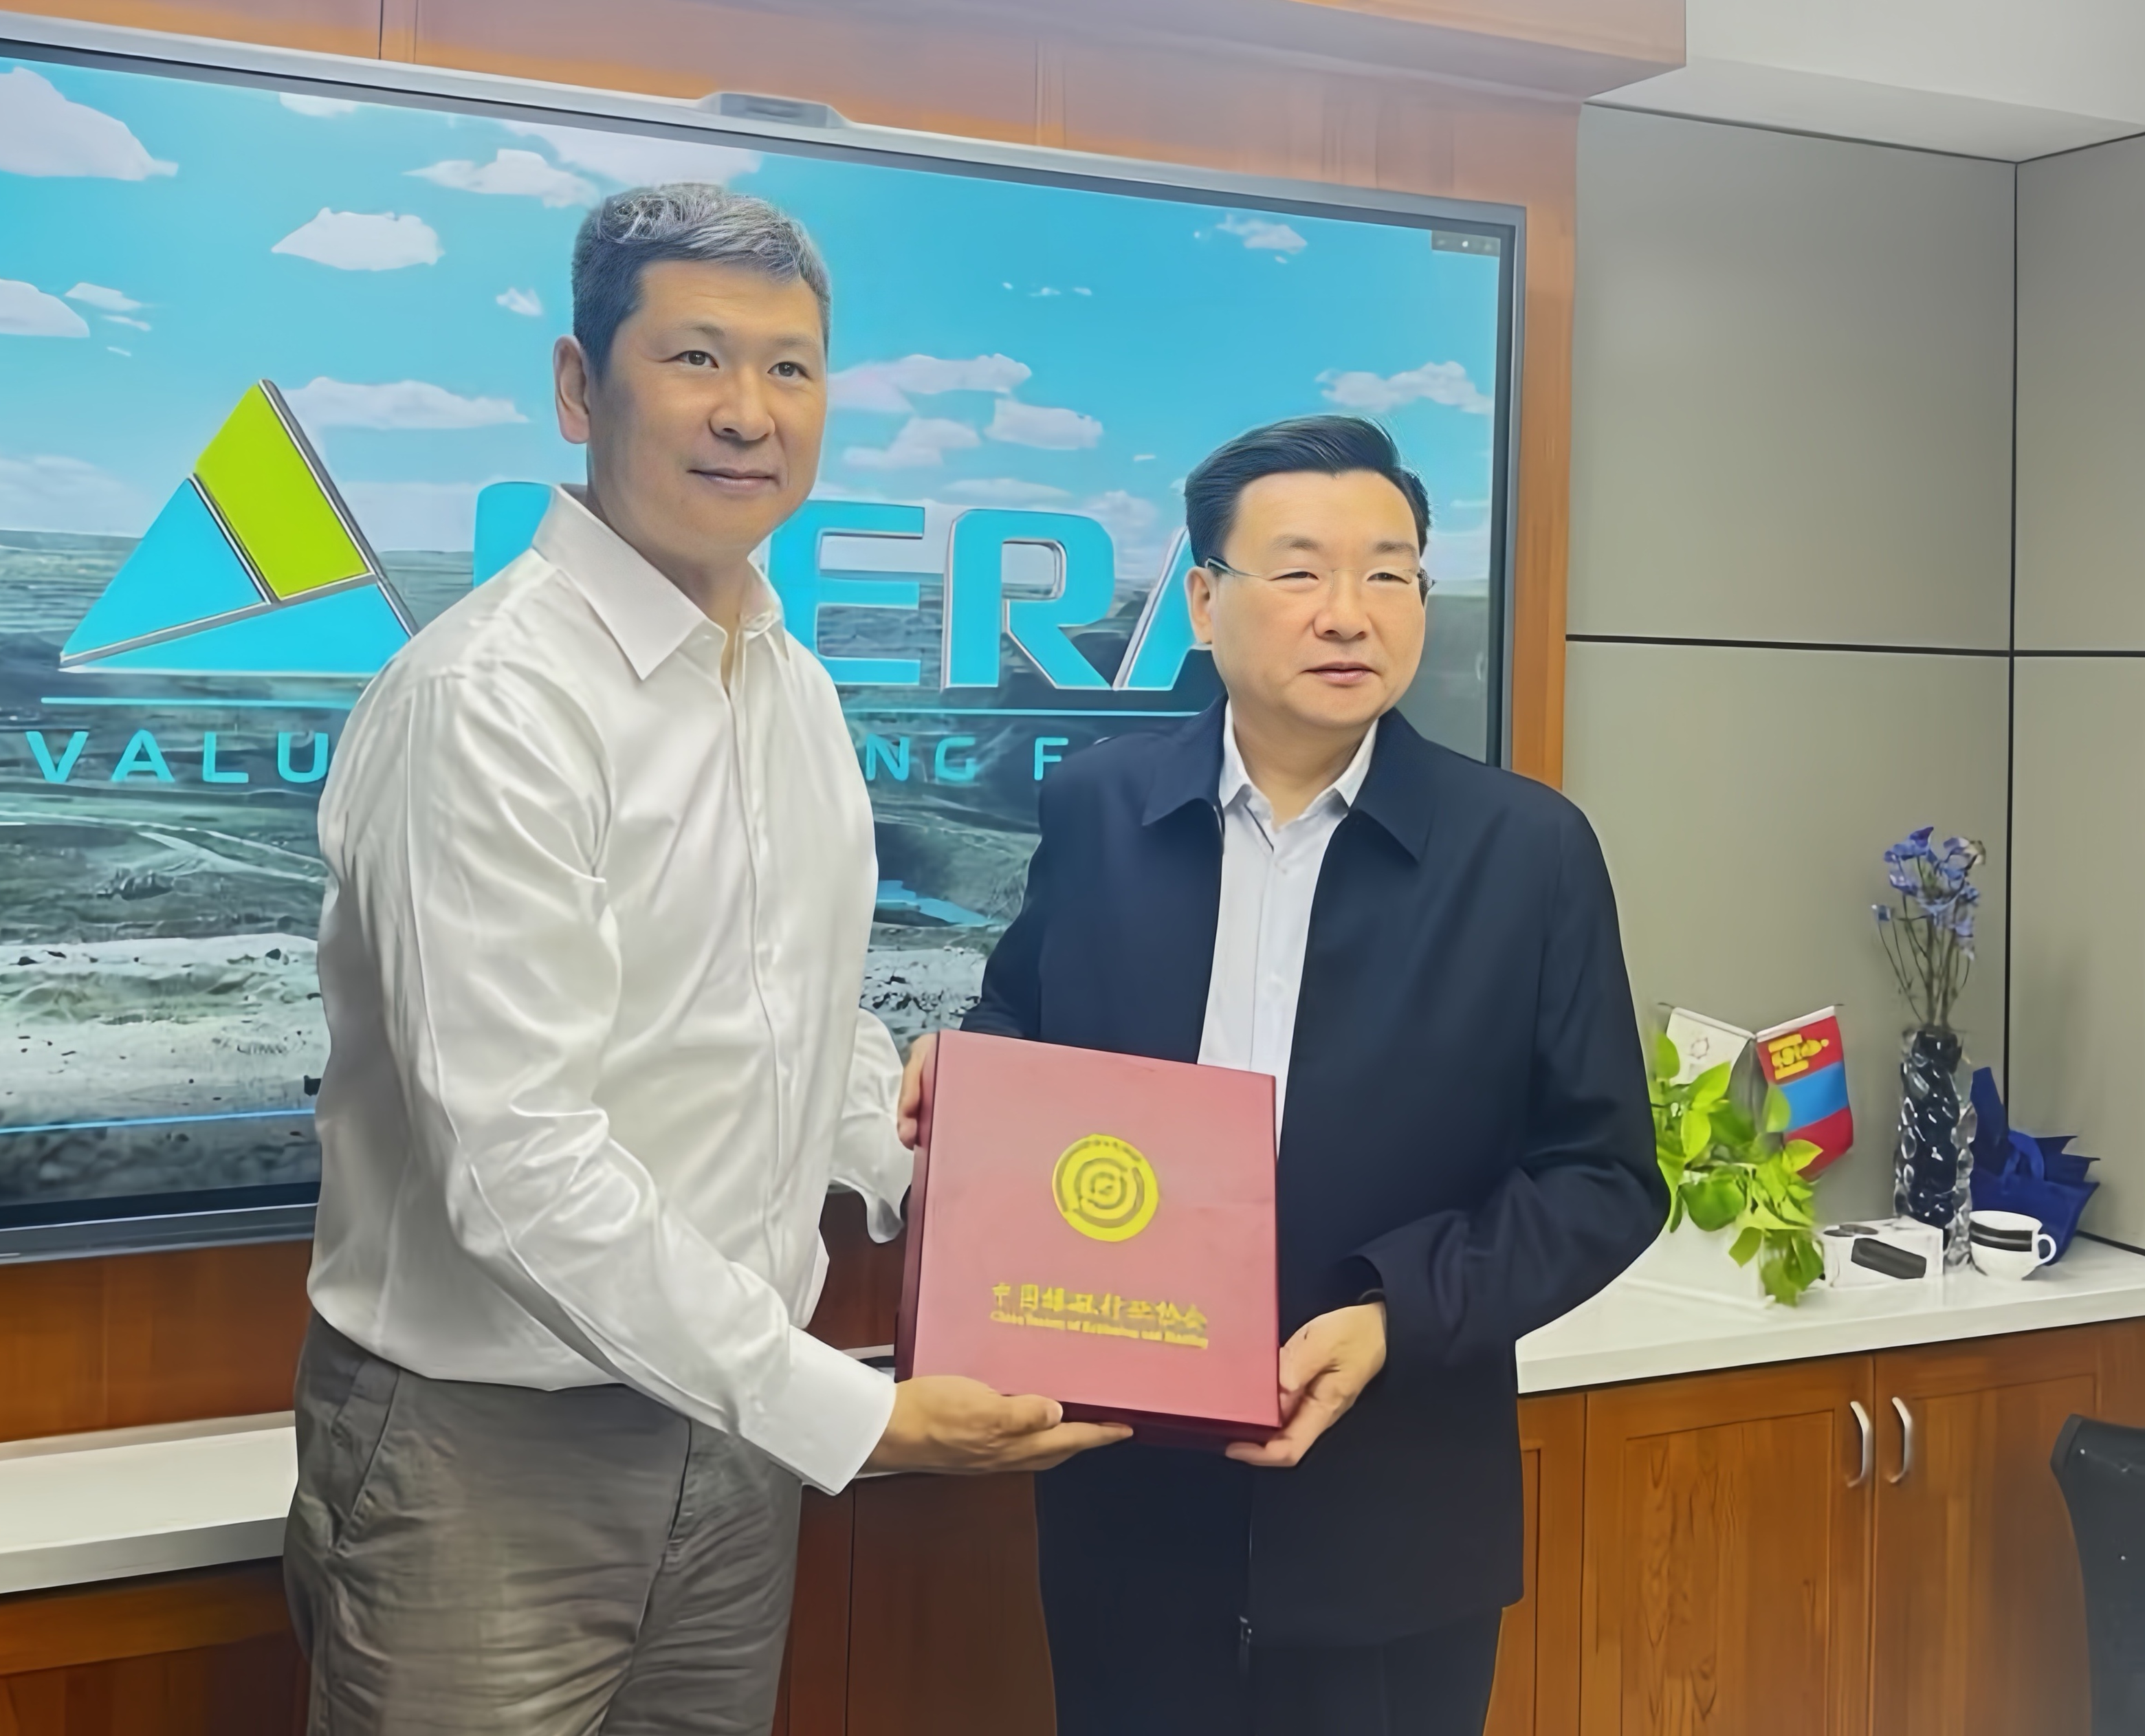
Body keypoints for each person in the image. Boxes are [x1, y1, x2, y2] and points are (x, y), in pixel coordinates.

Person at [283, 184, 1123, 1736]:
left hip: (737, 1438)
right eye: (696, 358)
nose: (750, 412)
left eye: (791, 368)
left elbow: (796, 1004)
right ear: (578, 385)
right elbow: (518, 1168)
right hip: (491, 1462)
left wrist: (929, 1160)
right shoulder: (490, 701)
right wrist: (852, 1413)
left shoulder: (791, 683)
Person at [903, 415, 1664, 1735]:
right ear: (1204, 602)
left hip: (1395, 1511)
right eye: (1302, 570)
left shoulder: (1526, 851)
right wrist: (972, 1074)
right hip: (1127, 1497)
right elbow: (1027, 1015)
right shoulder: (1101, 806)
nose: (1349, 612)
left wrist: (1396, 1314)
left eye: (1389, 572)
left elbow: (1602, 1176)